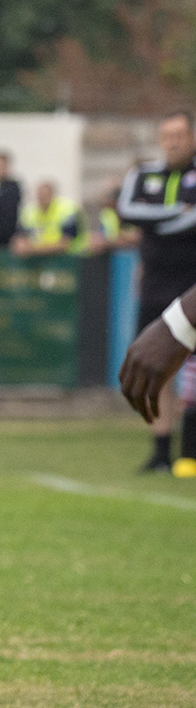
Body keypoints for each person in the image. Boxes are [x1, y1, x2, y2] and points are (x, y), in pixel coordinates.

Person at [116, 110, 196, 473]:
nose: (173, 142)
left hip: (192, 286)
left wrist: (157, 218)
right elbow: (128, 211)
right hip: (155, 284)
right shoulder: (144, 173)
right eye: (167, 135)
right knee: (156, 364)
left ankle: (190, 448)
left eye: (180, 134)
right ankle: (161, 449)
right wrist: (176, 214)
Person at [11, 179, 81, 256]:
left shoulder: (67, 210)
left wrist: (33, 249)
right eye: (40, 195)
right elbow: (20, 238)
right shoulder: (30, 213)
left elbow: (66, 243)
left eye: (45, 195)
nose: (42, 198)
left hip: (71, 260)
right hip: (40, 262)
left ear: (53, 195)